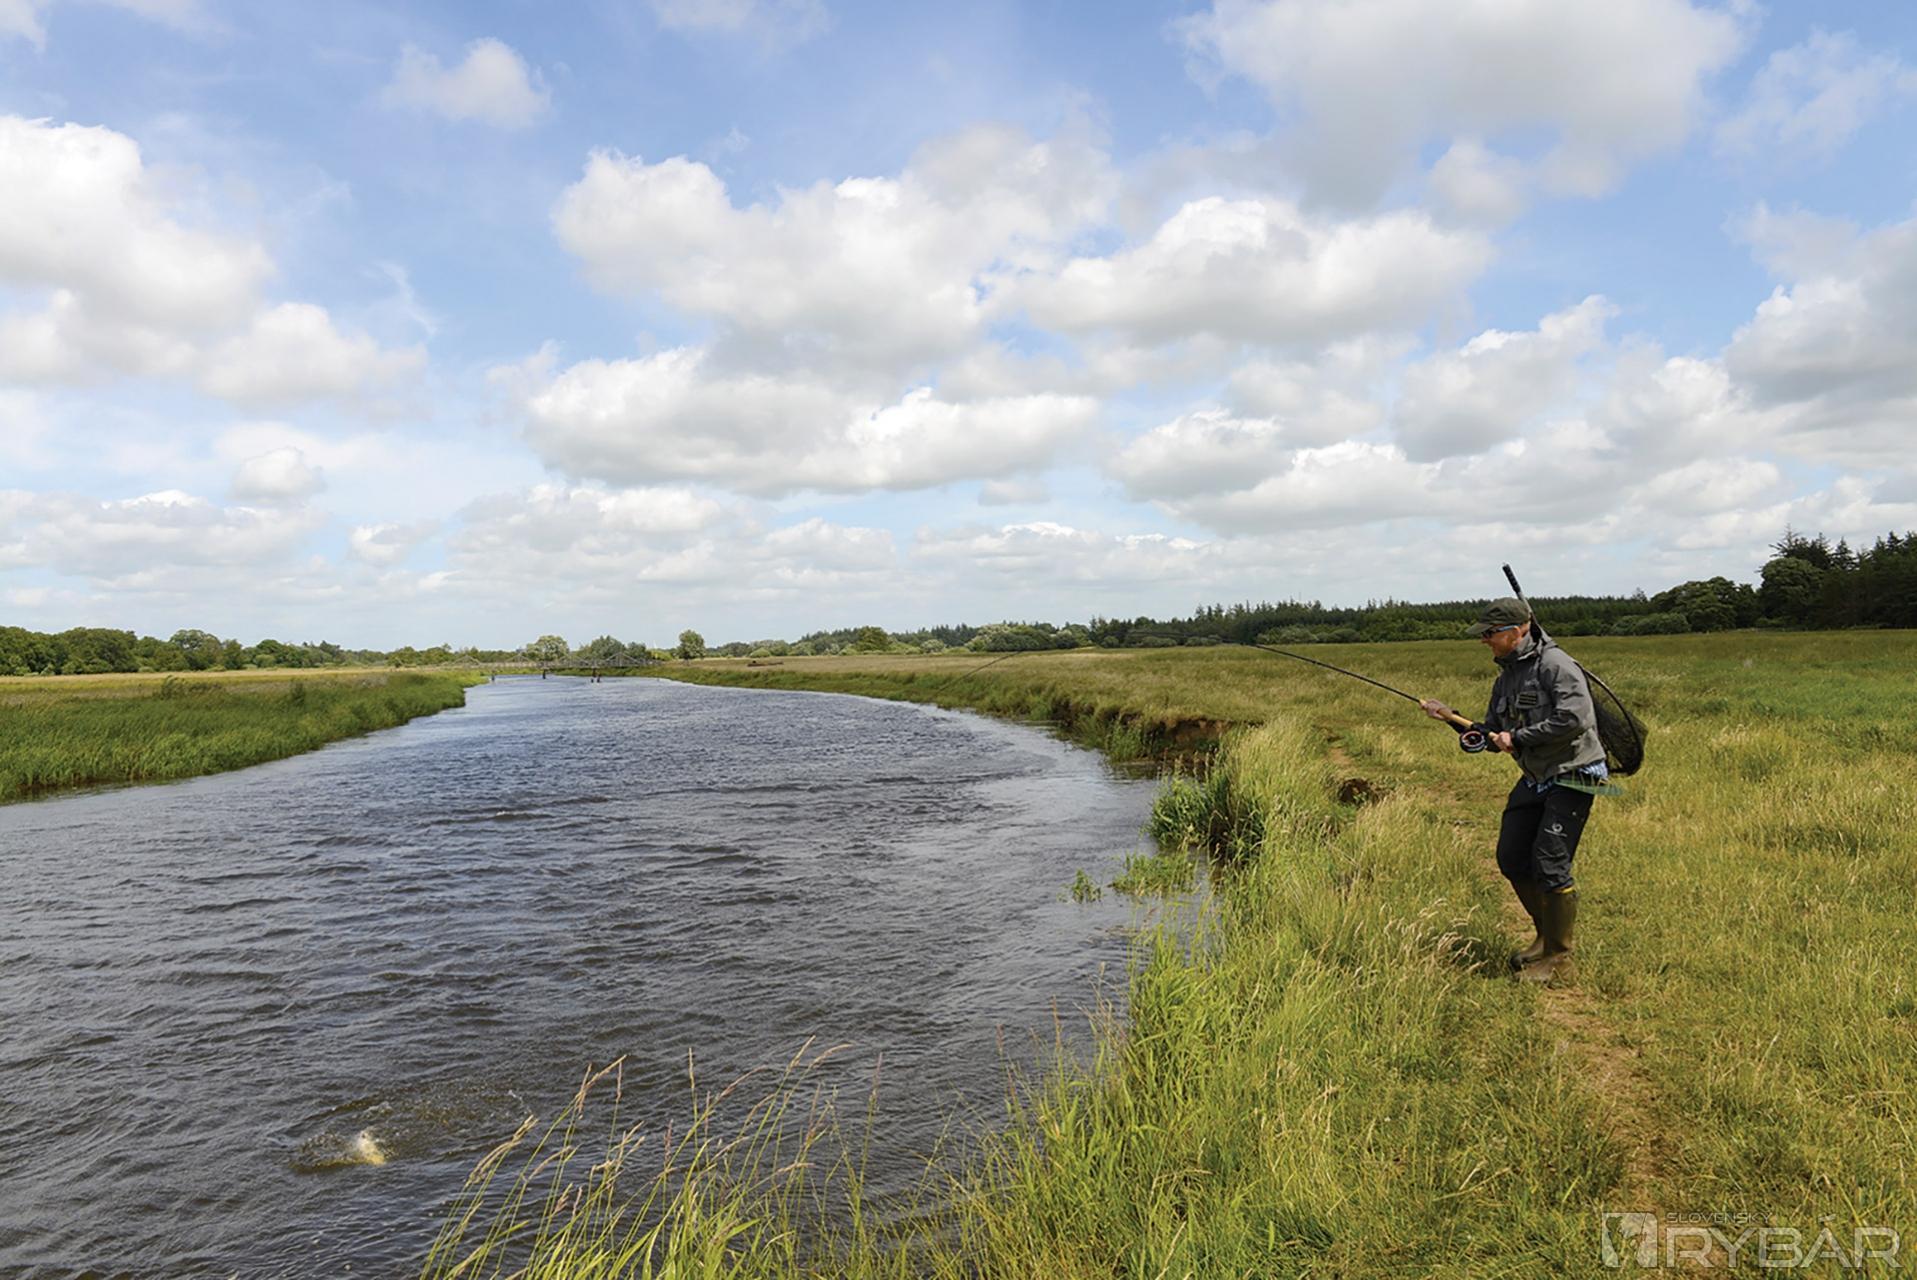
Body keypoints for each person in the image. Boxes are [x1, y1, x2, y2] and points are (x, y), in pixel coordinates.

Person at [1420, 597, 1607, 984]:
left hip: (1574, 773)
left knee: (1551, 861)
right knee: (1512, 856)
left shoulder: (1556, 665)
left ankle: (1560, 960)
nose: (1484, 640)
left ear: (1517, 631)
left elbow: (1575, 718)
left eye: (1490, 633)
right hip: (1537, 776)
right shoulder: (1506, 678)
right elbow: (1492, 735)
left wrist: (1519, 737)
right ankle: (1545, 937)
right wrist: (1450, 718)